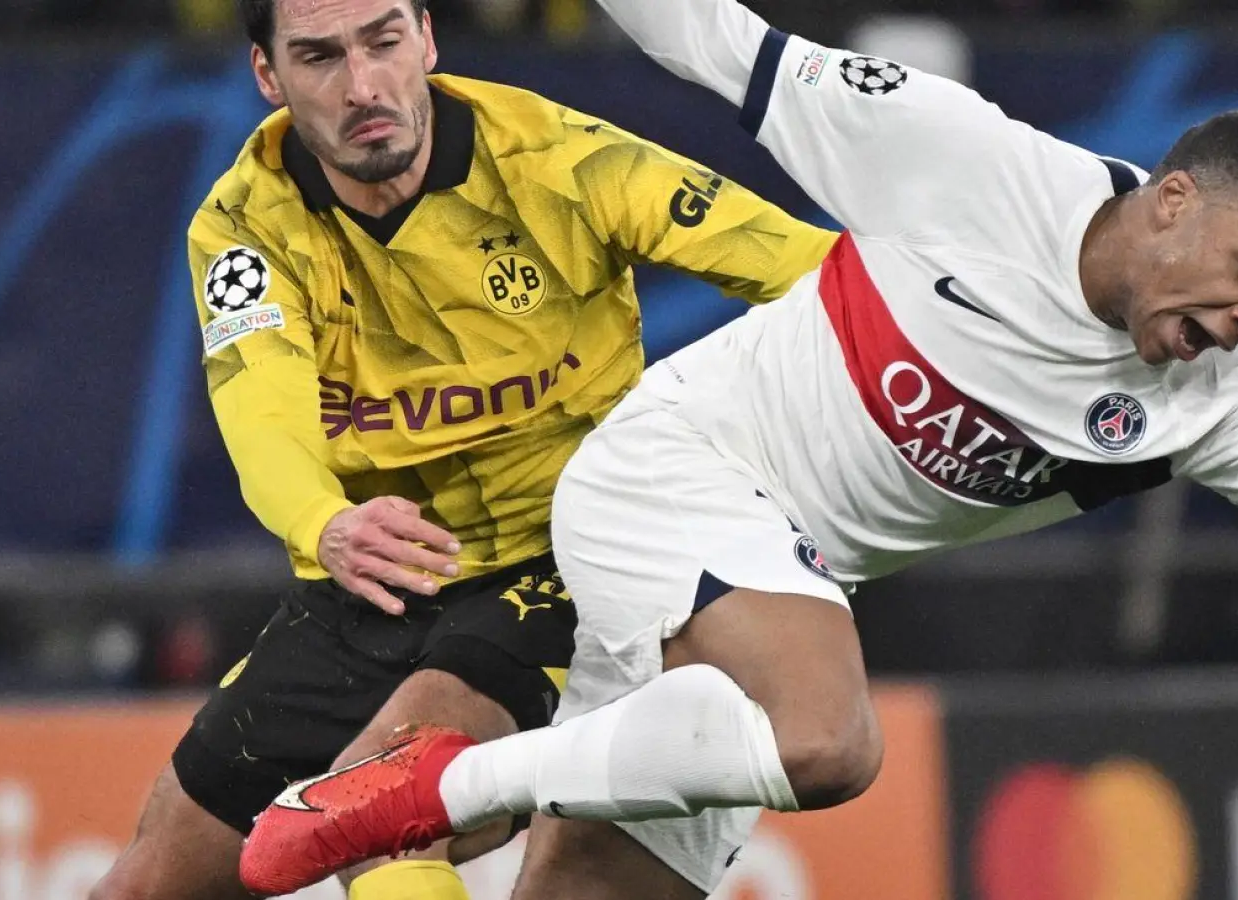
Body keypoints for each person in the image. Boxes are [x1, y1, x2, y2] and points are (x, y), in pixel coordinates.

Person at [235, 0, 1238, 896]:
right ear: (1171, 203)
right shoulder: (966, 162)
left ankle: (421, 796)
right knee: (830, 741)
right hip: (677, 471)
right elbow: (715, 41)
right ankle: (439, 789)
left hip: (773, 582)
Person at [87, 1, 836, 898]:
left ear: (428, 38)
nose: (362, 86)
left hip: (565, 556)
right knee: (143, 885)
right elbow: (262, 413)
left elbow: (805, 268)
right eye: (319, 56)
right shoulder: (244, 227)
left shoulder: (557, 159)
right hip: (375, 574)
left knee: (377, 816)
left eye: (383, 42)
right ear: (268, 76)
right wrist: (324, 523)